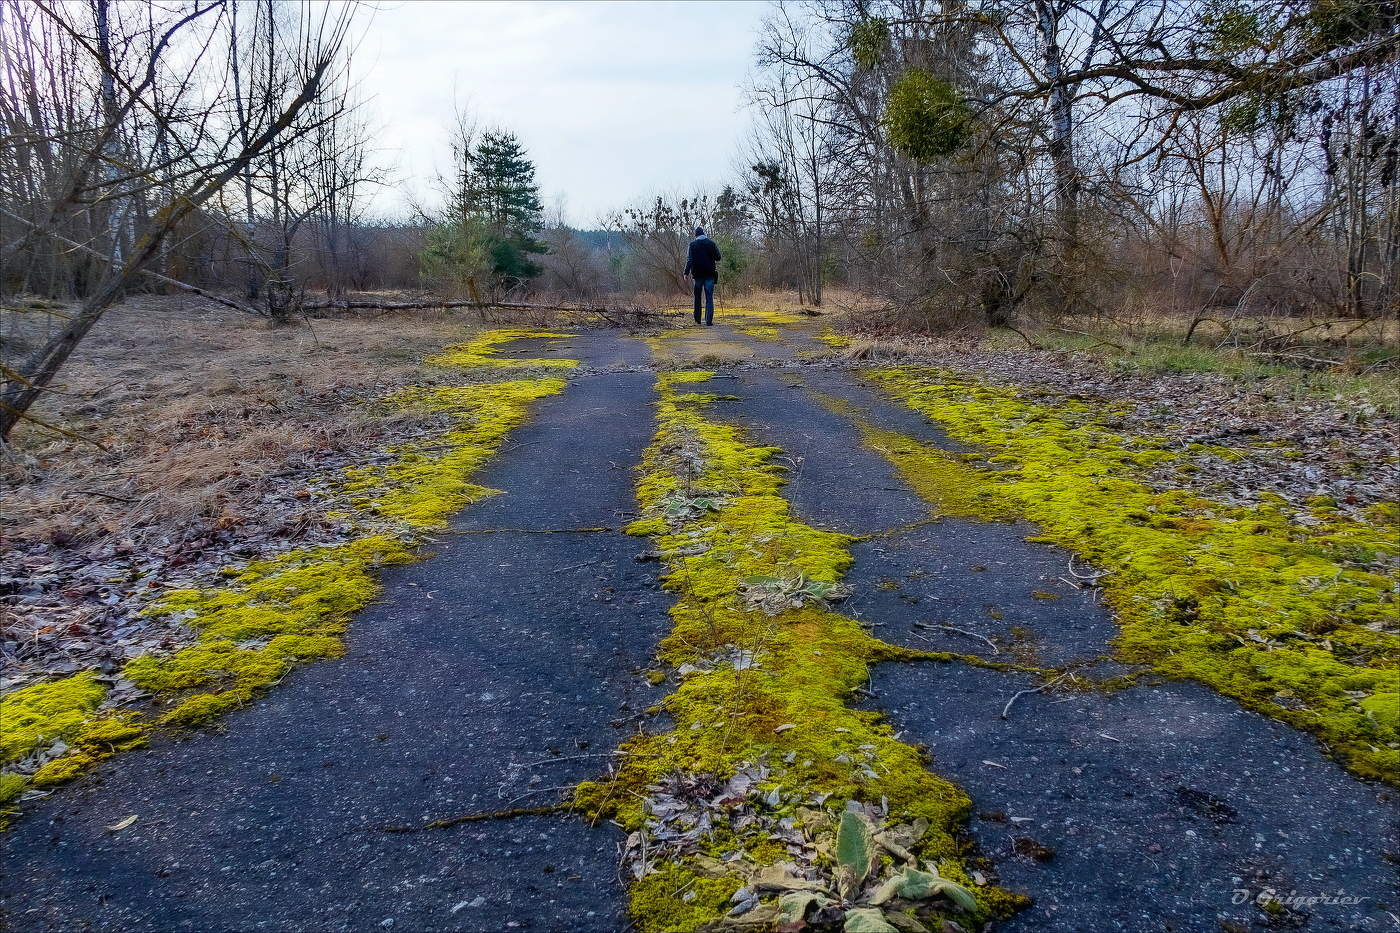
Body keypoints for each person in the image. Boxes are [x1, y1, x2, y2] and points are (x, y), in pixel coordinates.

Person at [683, 226, 721, 326]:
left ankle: (697, 320)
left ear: (696, 235)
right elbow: (718, 257)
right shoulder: (711, 244)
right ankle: (709, 321)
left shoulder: (692, 245)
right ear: (704, 234)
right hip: (710, 275)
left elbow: (689, 260)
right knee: (709, 297)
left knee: (697, 297)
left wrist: (686, 273)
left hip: (697, 275)